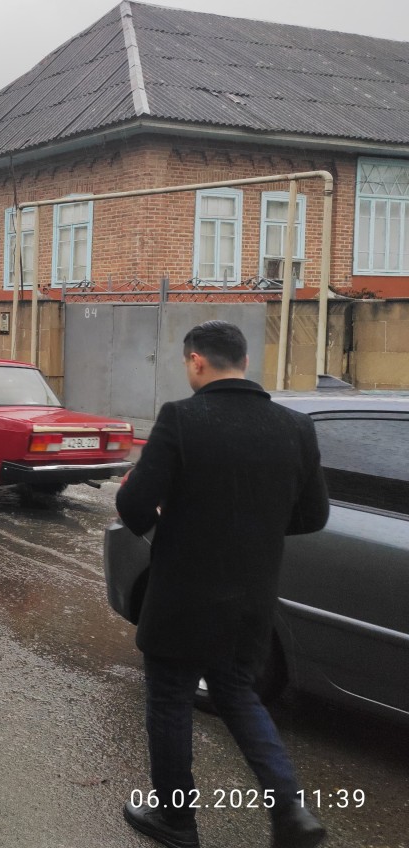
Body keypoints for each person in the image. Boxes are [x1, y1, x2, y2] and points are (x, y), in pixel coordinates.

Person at [115, 321, 330, 848]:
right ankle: (290, 813)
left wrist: (169, 512)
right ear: (245, 362)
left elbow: (134, 505)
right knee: (237, 693)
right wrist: (253, 528)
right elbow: (314, 515)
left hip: (182, 597)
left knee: (169, 700)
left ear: (195, 362)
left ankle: (177, 820)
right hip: (252, 597)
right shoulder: (295, 427)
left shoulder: (182, 418)